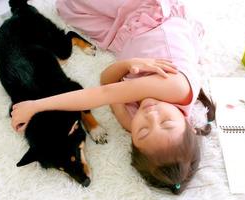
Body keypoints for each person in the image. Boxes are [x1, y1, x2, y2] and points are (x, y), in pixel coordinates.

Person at [11, 0, 215, 194]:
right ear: (187, 123)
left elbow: (106, 81)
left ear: (133, 139)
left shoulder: (130, 122)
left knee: (67, 8)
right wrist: (36, 106)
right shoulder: (177, 88)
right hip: (152, 18)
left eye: (143, 131)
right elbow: (104, 94)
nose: (151, 115)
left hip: (125, 39)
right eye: (167, 122)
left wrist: (127, 65)